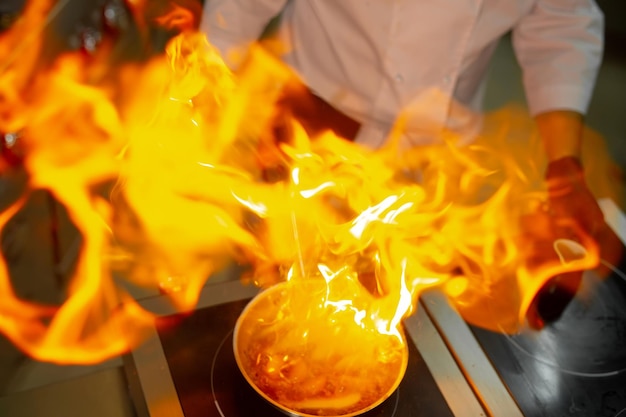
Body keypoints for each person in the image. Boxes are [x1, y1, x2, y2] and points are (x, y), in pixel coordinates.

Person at [200, 0, 607, 326]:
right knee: (282, 299)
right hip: (312, 136)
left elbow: (562, 19)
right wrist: (206, 92)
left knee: (390, 303)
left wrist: (564, 166)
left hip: (438, 155)